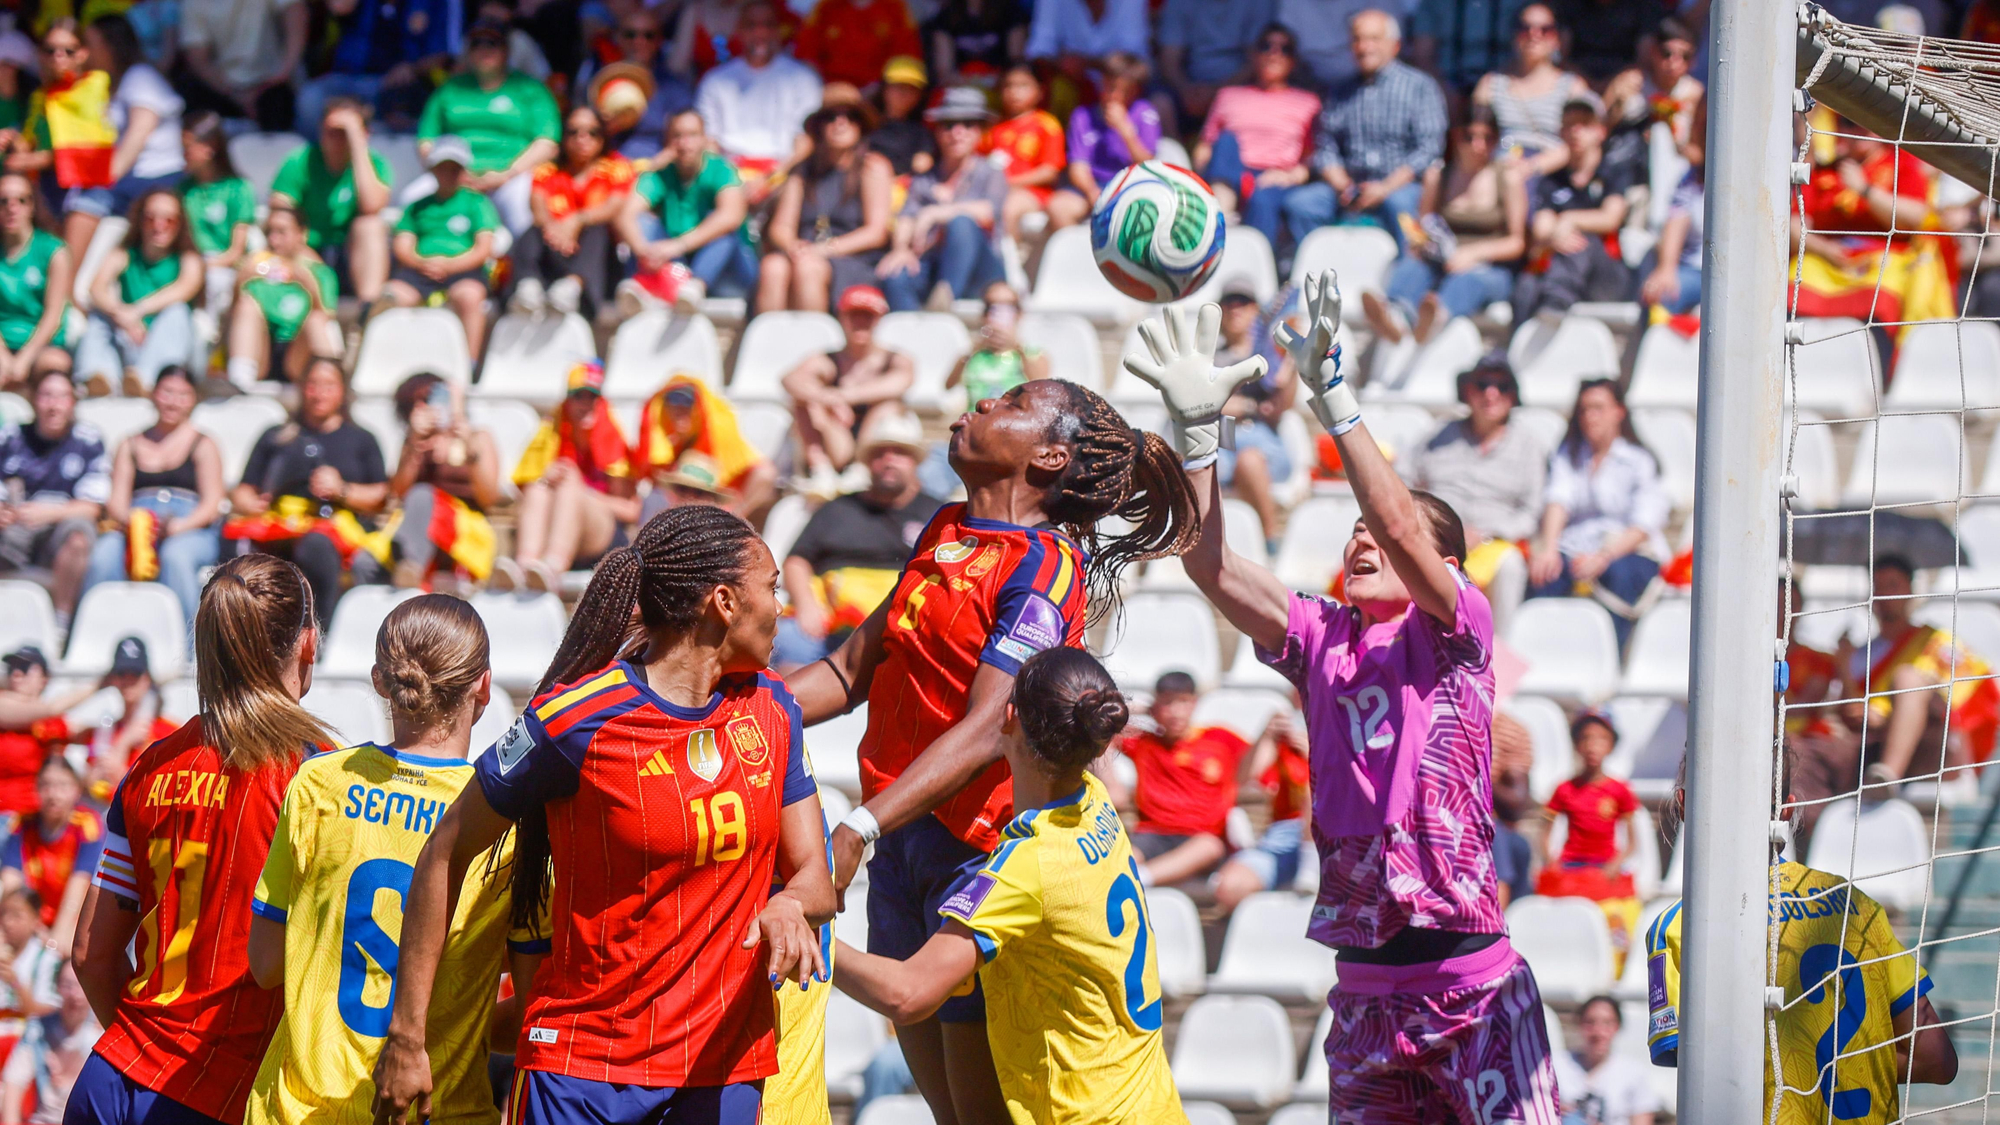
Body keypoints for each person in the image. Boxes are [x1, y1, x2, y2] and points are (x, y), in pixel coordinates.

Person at [1127, 275, 1561, 1122]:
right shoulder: (1323, 633)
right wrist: (1196, 438)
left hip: (1467, 984)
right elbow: (1207, 565)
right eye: (1354, 532)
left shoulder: (1456, 631)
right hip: (1364, 997)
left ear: (1445, 568)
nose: (1364, 536)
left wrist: (1333, 397)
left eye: (1382, 534)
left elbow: (1400, 522)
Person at [784, 375, 1201, 1125]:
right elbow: (850, 670)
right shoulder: (944, 527)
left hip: (975, 855)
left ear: (1046, 456)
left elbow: (986, 728)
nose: (980, 403)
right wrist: (727, 712)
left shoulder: (1046, 566)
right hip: (903, 843)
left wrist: (860, 826)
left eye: (1008, 403)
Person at [371, 505, 835, 1125]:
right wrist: (408, 1034)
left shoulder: (773, 707)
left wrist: (787, 904)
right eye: (772, 588)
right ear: (724, 601)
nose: (783, 608)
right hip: (584, 1073)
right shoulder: (577, 720)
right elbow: (445, 850)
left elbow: (815, 879)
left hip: (722, 1070)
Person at [832, 647, 1190, 1125]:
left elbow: (908, 994)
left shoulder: (1028, 866)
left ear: (1006, 718)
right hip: (1153, 1108)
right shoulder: (1097, 803)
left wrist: (811, 937)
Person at [244, 595, 539, 1125]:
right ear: (484, 686)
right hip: (437, 1109)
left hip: (297, 1111)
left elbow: (266, 966)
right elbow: (533, 1014)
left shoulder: (318, 784)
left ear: (380, 681)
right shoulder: (509, 825)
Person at [69, 553, 332, 1125]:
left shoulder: (147, 768)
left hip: (108, 1078)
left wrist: (141, 1051)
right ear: (308, 646)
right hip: (213, 1091)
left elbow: (90, 952)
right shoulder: (318, 778)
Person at [1644, 762, 1958, 1120]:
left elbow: (1701, 1075)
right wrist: (1840, 1065)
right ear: (1789, 808)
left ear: (1683, 804)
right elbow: (1937, 1060)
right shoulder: (1857, 905)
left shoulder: (1679, 925)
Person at [225, 359, 389, 630]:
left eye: (328, 386)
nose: (319, 393)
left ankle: (318, 630)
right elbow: (243, 490)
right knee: (234, 536)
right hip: (280, 522)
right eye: (312, 385)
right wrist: (251, 504)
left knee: (316, 545)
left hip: (336, 527)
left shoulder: (361, 439)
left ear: (342, 391)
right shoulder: (277, 436)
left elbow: (381, 497)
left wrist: (342, 490)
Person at [774, 410, 942, 670]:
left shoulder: (939, 514)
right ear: (866, 461)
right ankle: (792, 709)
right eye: (879, 453)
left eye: (899, 452)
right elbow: (796, 561)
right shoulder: (837, 508)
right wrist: (807, 606)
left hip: (907, 625)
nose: (889, 460)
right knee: (786, 640)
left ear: (915, 461)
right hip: (829, 625)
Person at [1399, 356, 1544, 632]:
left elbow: (1531, 512)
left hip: (1493, 545)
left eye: (1501, 386)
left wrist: (1486, 533)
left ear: (1513, 396)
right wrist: (1425, 522)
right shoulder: (1438, 434)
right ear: (1468, 391)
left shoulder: (1529, 445)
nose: (1491, 393)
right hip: (1435, 541)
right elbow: (1401, 480)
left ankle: (1495, 656)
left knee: (1511, 567)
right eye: (1483, 384)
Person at [1286, 11, 1448, 256]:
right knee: (1301, 205)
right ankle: (1319, 275)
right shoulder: (1340, 92)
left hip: (1398, 186)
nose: (1364, 47)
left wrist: (1384, 188)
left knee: (1401, 206)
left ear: (1395, 46)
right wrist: (1341, 183)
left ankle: (1399, 286)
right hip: (1349, 187)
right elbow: (1326, 145)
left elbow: (1428, 149)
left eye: (1373, 39)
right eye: (1358, 39)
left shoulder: (1420, 87)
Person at [1837, 553, 2000, 788]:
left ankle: (1887, 778)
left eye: (1893, 585)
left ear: (1910, 591)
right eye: (1877, 586)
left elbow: (1968, 699)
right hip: (1869, 746)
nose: (1884, 595)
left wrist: (1887, 717)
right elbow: (1848, 715)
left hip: (1932, 745)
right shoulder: (1858, 656)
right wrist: (1842, 666)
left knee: (1908, 676)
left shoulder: (1936, 643)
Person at [1366, 108, 1527, 345]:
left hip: (1490, 269)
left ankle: (1435, 319)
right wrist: (1423, 244)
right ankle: (1395, 317)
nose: (1478, 146)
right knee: (1413, 267)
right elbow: (1422, 226)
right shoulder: (1439, 176)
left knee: (1467, 281)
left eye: (1488, 138)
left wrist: (1473, 253)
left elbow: (1517, 242)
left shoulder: (1508, 178)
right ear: (1455, 137)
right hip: (1442, 261)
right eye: (1469, 137)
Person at [1527, 379, 1667, 649]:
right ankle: (1545, 653)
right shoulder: (1568, 455)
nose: (1590, 417)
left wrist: (1604, 556)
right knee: (1544, 572)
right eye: (1584, 409)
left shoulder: (1639, 460)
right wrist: (1549, 548)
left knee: (1620, 574)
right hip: (1576, 549)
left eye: (1598, 408)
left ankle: (1611, 655)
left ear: (1618, 412)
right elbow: (1558, 500)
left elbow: (1644, 524)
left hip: (1626, 551)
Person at [80, 367, 221, 627]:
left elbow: (211, 504)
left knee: (176, 557)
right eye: (167, 392)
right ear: (154, 395)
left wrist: (179, 526)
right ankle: (98, 631)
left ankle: (188, 645)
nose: (173, 401)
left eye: (182, 394)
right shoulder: (130, 444)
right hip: (136, 523)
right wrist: (136, 523)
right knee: (104, 554)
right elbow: (117, 503)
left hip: (190, 526)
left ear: (193, 399)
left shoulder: (203, 444)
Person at [1792, 113, 1956, 332]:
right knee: (1793, 280)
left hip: (1884, 262)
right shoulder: (1824, 172)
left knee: (1884, 288)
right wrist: (1825, 249)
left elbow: (1919, 218)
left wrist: (1866, 191)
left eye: (1866, 123)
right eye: (1849, 122)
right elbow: (1794, 227)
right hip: (1826, 261)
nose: (1858, 130)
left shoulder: (1901, 164)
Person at [413, 18, 560, 237]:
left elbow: (547, 143)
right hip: (452, 174)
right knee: (411, 198)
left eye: (492, 43)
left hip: (512, 177)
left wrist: (507, 174)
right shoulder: (450, 89)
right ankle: (413, 268)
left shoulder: (530, 89)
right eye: (476, 44)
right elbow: (426, 141)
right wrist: (451, 174)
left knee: (523, 207)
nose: (484, 50)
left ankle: (527, 269)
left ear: (507, 50)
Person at [503, 361, 639, 593]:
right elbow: (522, 490)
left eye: (592, 397)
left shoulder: (612, 439)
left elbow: (631, 510)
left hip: (603, 536)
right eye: (579, 397)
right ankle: (526, 565)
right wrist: (546, 477)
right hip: (556, 525)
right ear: (568, 400)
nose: (586, 404)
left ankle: (553, 565)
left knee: (568, 485)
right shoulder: (551, 432)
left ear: (601, 401)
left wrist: (582, 490)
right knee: (538, 487)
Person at [62, 17, 182, 276]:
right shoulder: (112, 83)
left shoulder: (140, 77)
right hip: (134, 180)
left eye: (90, 44)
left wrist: (104, 180)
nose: (85, 52)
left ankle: (64, 289)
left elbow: (137, 137)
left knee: (87, 203)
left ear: (110, 46)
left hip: (157, 178)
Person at [1194, 24, 1322, 259]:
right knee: (1226, 141)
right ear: (1253, 54)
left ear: (1293, 60)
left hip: (1276, 176)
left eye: (1284, 49)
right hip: (1228, 172)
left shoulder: (1308, 102)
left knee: (1262, 199)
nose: (1274, 53)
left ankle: (1254, 268)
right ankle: (1222, 205)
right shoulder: (1228, 95)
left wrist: (1292, 175)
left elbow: (1313, 155)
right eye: (1266, 46)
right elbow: (1205, 145)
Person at [878, 88, 1008, 312]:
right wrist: (900, 249)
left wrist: (935, 213)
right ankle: (913, 336)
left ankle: (944, 303)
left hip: (983, 272)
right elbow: (906, 217)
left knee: (961, 223)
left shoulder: (990, 172)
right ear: (937, 132)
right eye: (948, 125)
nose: (957, 132)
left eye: (967, 124)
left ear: (979, 132)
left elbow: (988, 211)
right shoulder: (925, 178)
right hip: (933, 265)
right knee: (895, 273)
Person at [758, 99, 893, 314]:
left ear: (860, 126)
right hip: (804, 252)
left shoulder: (872, 167)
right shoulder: (803, 171)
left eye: (850, 117)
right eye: (831, 117)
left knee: (808, 268)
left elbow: (876, 233)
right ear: (820, 126)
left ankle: (814, 345)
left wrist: (825, 249)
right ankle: (769, 344)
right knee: (773, 266)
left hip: (853, 259)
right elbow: (780, 226)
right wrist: (792, 245)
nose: (840, 123)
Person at [1120, 671, 1250, 888]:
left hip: (1200, 838)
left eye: (1183, 702)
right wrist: (1144, 709)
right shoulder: (1144, 743)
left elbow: (1256, 765)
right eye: (1167, 703)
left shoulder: (1219, 739)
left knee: (1210, 847)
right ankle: (1130, 880)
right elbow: (1101, 722)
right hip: (1152, 834)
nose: (1175, 712)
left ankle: (1139, 880)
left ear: (1194, 703)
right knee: (1125, 856)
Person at [373, 372, 500, 591]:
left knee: (423, 494)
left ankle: (412, 567)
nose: (424, 406)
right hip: (418, 527)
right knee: (367, 562)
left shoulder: (478, 437)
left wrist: (466, 443)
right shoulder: (414, 442)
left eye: (429, 397)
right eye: (415, 402)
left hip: (464, 528)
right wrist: (414, 443)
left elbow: (489, 497)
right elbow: (398, 492)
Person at [1511, 98, 1631, 327]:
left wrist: (1568, 219)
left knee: (1580, 243)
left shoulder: (1613, 171)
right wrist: (1558, 233)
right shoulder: (1552, 180)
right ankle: (1515, 352)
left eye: (1584, 124)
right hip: (1562, 267)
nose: (1575, 131)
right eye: (1569, 125)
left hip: (1607, 276)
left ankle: (1556, 302)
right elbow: (1541, 229)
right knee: (1527, 283)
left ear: (1600, 131)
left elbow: (1610, 218)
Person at [1536, 709, 1640, 970]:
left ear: (1611, 745)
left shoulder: (1620, 790)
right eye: (1586, 738)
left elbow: (1633, 841)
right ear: (1577, 744)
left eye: (1601, 739)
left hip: (1604, 868)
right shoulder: (1564, 789)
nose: (1593, 746)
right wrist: (1551, 858)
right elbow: (1545, 832)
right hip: (1572, 868)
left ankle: (1616, 969)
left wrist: (1616, 863)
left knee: (1618, 918)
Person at [267, 97, 393, 311]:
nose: (335, 138)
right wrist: (304, 250)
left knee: (371, 226)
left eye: (343, 132)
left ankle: (367, 313)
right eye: (330, 131)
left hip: (352, 253)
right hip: (308, 250)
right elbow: (280, 212)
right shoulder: (300, 161)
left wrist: (356, 143)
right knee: (284, 231)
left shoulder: (375, 163)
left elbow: (371, 206)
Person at [509, 107, 633, 321]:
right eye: (573, 132)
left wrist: (577, 220)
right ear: (564, 137)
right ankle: (528, 286)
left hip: (600, 263)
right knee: (532, 231)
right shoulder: (548, 170)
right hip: (555, 248)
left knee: (597, 230)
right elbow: (537, 207)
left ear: (603, 137)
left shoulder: (616, 167)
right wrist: (555, 230)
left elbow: (614, 208)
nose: (582, 139)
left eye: (592, 132)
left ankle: (573, 285)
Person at [693, 1, 823, 206]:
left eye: (768, 25)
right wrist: (731, 182)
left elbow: (805, 143)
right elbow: (708, 142)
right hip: (727, 177)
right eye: (751, 25)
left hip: (783, 177)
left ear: (779, 31)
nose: (760, 32)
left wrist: (768, 179)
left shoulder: (803, 79)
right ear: (739, 31)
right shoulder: (715, 80)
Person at [616, 110, 755, 300]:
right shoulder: (661, 173)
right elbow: (626, 215)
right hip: (676, 265)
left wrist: (677, 245)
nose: (684, 143)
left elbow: (731, 216)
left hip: (729, 274)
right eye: (677, 136)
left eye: (692, 135)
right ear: (667, 141)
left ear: (705, 139)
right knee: (643, 223)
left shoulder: (721, 169)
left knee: (723, 229)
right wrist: (644, 251)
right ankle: (646, 284)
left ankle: (695, 286)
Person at [383, 137, 500, 363]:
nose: (448, 173)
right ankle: (388, 361)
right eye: (443, 167)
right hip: (418, 273)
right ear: (433, 169)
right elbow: (402, 245)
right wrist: (423, 264)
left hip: (465, 272)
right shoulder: (416, 206)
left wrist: (449, 265)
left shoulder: (477, 203)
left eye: (454, 168)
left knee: (470, 296)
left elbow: (484, 247)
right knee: (390, 297)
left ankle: (468, 364)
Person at [0, 372, 102, 627]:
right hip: (12, 530)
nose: (53, 405)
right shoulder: (11, 436)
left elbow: (93, 507)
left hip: (59, 531)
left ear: (73, 402)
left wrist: (48, 513)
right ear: (33, 400)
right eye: (46, 396)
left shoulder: (88, 440)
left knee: (79, 537)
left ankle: (61, 625)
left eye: (61, 397)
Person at [782, 285, 914, 484]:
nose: (860, 323)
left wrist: (840, 397)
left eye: (867, 316)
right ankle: (820, 469)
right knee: (803, 403)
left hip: (874, 443)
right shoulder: (829, 359)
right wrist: (827, 400)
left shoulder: (894, 358)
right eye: (854, 316)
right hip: (836, 438)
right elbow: (790, 379)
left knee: (888, 405)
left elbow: (901, 382)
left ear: (878, 320)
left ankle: (860, 469)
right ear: (842, 318)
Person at [75, 191, 200, 396]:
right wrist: (123, 315)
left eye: (169, 220)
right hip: (128, 339)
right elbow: (96, 289)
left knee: (177, 311)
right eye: (151, 218)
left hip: (168, 347)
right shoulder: (124, 254)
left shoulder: (188, 259)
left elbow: (184, 288)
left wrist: (137, 311)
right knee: (98, 316)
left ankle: (147, 380)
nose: (159, 226)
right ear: (140, 220)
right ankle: (98, 378)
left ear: (180, 224)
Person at [1213, 280, 1296, 557]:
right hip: (1223, 439)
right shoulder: (1209, 357)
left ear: (1256, 310)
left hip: (1262, 443)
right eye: (1229, 303)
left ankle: (1270, 542)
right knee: (1194, 464)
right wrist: (1252, 405)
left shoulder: (1272, 356)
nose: (1235, 309)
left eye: (1243, 303)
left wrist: (1294, 357)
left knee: (1249, 460)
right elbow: (1208, 404)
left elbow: (1280, 405)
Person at [224, 205, 343, 389]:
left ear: (301, 234)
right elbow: (232, 318)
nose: (273, 240)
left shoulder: (320, 273)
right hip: (260, 351)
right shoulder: (253, 268)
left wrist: (309, 285)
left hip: (298, 355)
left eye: (281, 232)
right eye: (269, 232)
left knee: (316, 319)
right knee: (246, 305)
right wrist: (239, 283)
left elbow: (326, 321)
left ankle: (330, 384)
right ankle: (240, 378)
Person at [633, 374, 777, 523]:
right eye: (672, 399)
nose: (679, 407)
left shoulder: (720, 436)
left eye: (688, 401)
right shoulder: (671, 444)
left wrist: (732, 517)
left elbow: (766, 475)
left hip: (717, 513)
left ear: (701, 406)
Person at [1044, 52, 1159, 233]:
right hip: (1092, 188)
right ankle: (1082, 259)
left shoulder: (1145, 113)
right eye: (1111, 87)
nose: (1116, 96)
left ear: (1136, 90)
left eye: (1125, 91)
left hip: (1131, 187)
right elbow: (1078, 166)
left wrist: (1125, 130)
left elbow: (1149, 165)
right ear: (1102, 82)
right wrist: (1092, 192)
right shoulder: (1082, 116)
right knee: (1058, 207)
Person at [1470, 3, 1589, 177]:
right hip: (1497, 171)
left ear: (1557, 37)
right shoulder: (1489, 85)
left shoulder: (1573, 87)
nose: (1534, 35)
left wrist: (1531, 167)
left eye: (1545, 29)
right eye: (1525, 28)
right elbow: (1476, 140)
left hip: (1551, 177)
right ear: (1514, 35)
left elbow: (1580, 145)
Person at [0, 756, 102, 958]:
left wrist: (57, 938)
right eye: (46, 785)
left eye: (63, 785)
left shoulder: (86, 824)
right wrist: (30, 930)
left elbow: (79, 885)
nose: (54, 794)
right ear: (36, 789)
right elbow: (11, 883)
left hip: (73, 919)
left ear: (77, 790)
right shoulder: (21, 824)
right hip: (34, 921)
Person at [1213, 708, 1311, 911]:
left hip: (1335, 839)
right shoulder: (1288, 737)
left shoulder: (1355, 731)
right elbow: (1243, 779)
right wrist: (1266, 737)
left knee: (1315, 794)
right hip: (1283, 837)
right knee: (1229, 887)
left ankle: (1311, 870)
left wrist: (1317, 758)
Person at [576, 7, 694, 162]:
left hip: (657, 172)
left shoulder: (673, 87)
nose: (639, 41)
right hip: (607, 169)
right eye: (630, 35)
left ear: (659, 42)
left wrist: (654, 169)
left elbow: (686, 138)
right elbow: (581, 133)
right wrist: (602, 127)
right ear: (618, 38)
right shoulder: (599, 82)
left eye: (648, 35)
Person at [1600, 17, 1701, 193]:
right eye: (1667, 53)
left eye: (1684, 56)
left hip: (1676, 181)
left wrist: (1671, 133)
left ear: (1693, 61)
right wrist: (1619, 106)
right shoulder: (1630, 83)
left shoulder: (1695, 95)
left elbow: (1699, 156)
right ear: (1653, 51)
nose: (1674, 63)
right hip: (1627, 175)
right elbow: (1598, 133)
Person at [0, 648, 98, 821]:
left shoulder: (53, 722)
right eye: (11, 668)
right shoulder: (4, 705)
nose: (15, 673)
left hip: (37, 821)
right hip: (5, 816)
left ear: (44, 679)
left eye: (24, 667)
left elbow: (93, 735)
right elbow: (51, 708)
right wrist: (100, 685)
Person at [175, 0, 302, 131]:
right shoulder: (192, 4)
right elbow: (198, 59)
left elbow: (294, 10)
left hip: (271, 85)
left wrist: (286, 69)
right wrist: (236, 95)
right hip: (221, 89)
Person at [0, 172, 74, 391]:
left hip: (41, 346)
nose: (11, 208)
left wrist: (24, 359)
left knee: (54, 366)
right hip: (3, 345)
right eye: (3, 201)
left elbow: (53, 316)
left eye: (20, 200)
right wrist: (4, 358)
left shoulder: (53, 251)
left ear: (32, 205)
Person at [177, 112, 254, 318]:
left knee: (212, 282)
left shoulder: (238, 189)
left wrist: (203, 265)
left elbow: (236, 251)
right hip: (187, 263)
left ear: (210, 147)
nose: (183, 154)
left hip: (221, 268)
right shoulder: (182, 190)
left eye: (188, 148)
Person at [981, 65, 1065, 241]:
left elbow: (1050, 172)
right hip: (995, 191)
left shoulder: (1047, 125)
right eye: (1008, 86)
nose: (1014, 92)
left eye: (1023, 86)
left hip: (1034, 195)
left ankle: (1005, 264)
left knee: (1007, 208)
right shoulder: (993, 128)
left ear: (1040, 91)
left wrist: (1009, 184)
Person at [1157, 0, 1271, 125]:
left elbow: (1256, 62)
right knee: (1159, 103)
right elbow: (1169, 59)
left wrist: (1217, 93)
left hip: (1238, 87)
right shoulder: (1179, 3)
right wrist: (1185, 91)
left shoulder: (1258, 3)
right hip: (1189, 89)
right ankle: (1175, 145)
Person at [1551, 997, 1657, 1125]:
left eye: (1607, 1023)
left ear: (1617, 1027)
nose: (1598, 1032)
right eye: (1590, 1022)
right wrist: (1552, 1112)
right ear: (1579, 1024)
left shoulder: (1634, 1074)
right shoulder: (1555, 1066)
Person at [946, 281, 1048, 407]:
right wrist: (973, 350)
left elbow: (1042, 389)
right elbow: (948, 386)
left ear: (1019, 313)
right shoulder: (972, 355)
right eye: (991, 307)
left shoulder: (1032, 354)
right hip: (976, 422)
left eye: (1008, 307)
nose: (998, 313)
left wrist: (1017, 347)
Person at [793, 0, 921, 89]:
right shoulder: (826, 6)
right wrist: (828, 88)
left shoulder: (895, 7)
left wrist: (878, 90)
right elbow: (806, 55)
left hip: (878, 95)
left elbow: (906, 57)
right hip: (829, 91)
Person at [1409, 0, 1529, 94]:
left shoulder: (1519, 3)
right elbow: (1422, 55)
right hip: (1447, 86)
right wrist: (1442, 92)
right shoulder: (1435, 3)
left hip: (1504, 85)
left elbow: (1535, 45)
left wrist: (1504, 90)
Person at [1638, 166, 1703, 317]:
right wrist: (1666, 269)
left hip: (1730, 273)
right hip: (1692, 269)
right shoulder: (1689, 178)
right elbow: (1676, 221)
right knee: (1659, 293)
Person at [925, 0, 1029, 89]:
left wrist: (1001, 81)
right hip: (958, 92)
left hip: (1002, 90)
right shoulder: (945, 18)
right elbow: (944, 72)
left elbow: (1017, 62)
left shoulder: (1012, 13)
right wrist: (976, 83)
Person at [869, 59, 937, 179]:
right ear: (884, 89)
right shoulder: (865, 124)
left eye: (911, 89)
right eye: (899, 87)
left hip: (904, 191)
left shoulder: (921, 133)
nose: (904, 94)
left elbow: (923, 164)